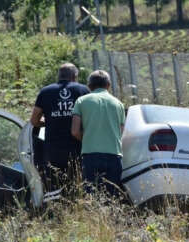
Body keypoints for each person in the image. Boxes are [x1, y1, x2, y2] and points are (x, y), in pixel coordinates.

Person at [30, 63, 90, 193]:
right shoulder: (83, 90)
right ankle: (76, 208)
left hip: (52, 149)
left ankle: (55, 209)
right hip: (77, 147)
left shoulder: (45, 91)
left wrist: (50, 122)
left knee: (54, 184)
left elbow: (34, 120)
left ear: (59, 76)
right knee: (78, 184)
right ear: (75, 76)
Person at [71, 70, 125, 196]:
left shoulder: (81, 101)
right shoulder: (118, 104)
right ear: (109, 85)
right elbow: (121, 132)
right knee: (112, 196)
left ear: (89, 86)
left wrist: (88, 139)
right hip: (114, 155)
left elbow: (74, 131)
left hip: (91, 155)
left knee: (92, 195)